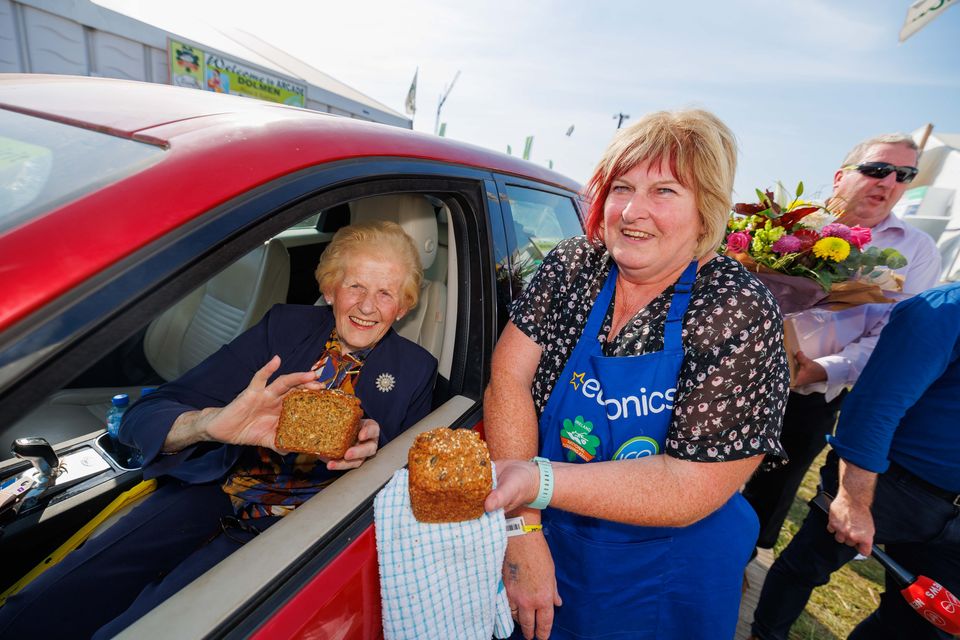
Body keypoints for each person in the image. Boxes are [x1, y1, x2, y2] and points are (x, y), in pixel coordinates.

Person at [0, 220, 438, 639]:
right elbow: (144, 416)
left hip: (301, 534)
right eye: (355, 285)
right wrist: (209, 424)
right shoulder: (283, 329)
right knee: (42, 607)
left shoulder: (417, 371)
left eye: (385, 293)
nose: (366, 305)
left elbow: (408, 494)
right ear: (329, 287)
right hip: (214, 486)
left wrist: (377, 458)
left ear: (403, 306)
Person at [482, 109, 789, 640]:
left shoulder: (736, 308)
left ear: (706, 210)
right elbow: (508, 378)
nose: (631, 211)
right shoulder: (574, 266)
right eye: (622, 186)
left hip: (668, 566)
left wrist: (535, 481)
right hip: (549, 526)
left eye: (665, 191)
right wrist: (523, 530)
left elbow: (690, 485)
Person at [741, 133, 942, 551]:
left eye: (903, 175)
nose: (887, 182)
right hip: (739, 373)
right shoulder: (788, 223)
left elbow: (893, 339)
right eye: (876, 169)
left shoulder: (916, 252)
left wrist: (825, 369)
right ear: (839, 177)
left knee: (774, 484)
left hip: (812, 392)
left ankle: (737, 561)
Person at [750, 282, 960, 639]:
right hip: (892, 485)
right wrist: (853, 500)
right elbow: (874, 407)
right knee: (806, 568)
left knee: (919, 626)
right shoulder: (944, 310)